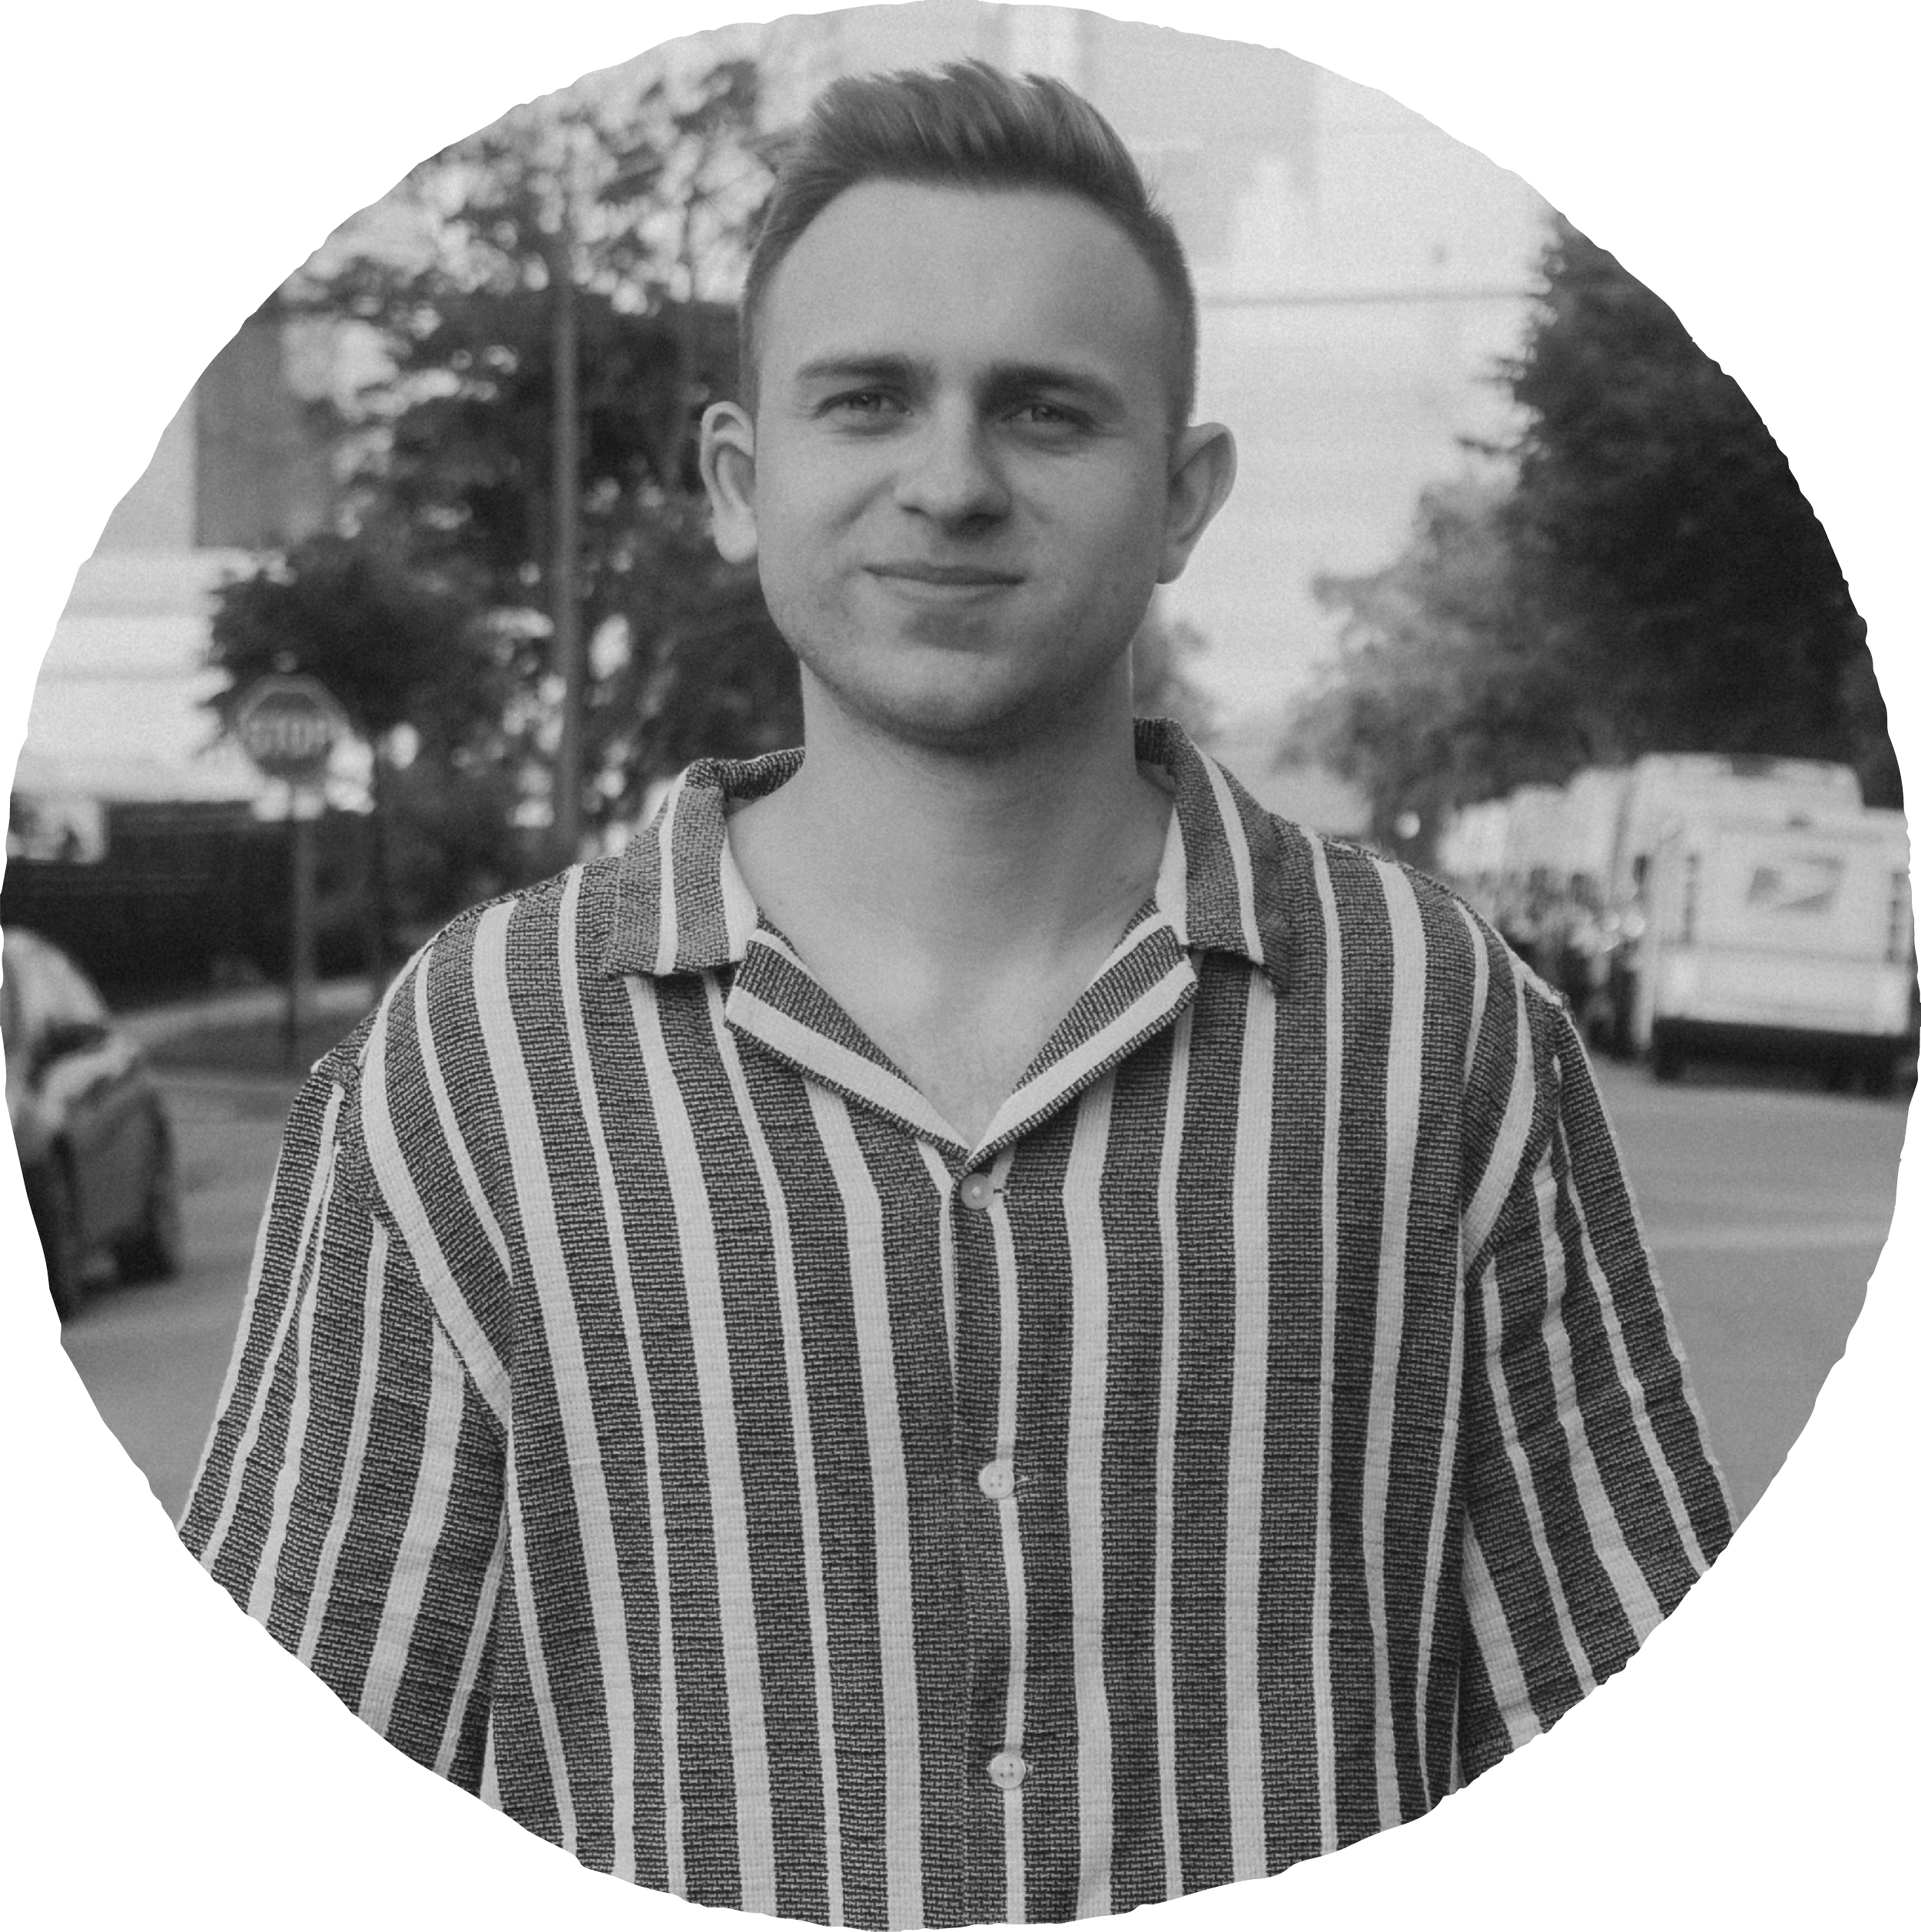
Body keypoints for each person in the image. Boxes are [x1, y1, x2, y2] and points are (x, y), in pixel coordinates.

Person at [180, 61, 1734, 1930]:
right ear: (742, 483)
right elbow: (275, 1800)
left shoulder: (1432, 1026)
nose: (950, 479)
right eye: (867, 399)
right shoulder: (475, 1065)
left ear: (1180, 497)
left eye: (1044, 412)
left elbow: (1641, 1778)